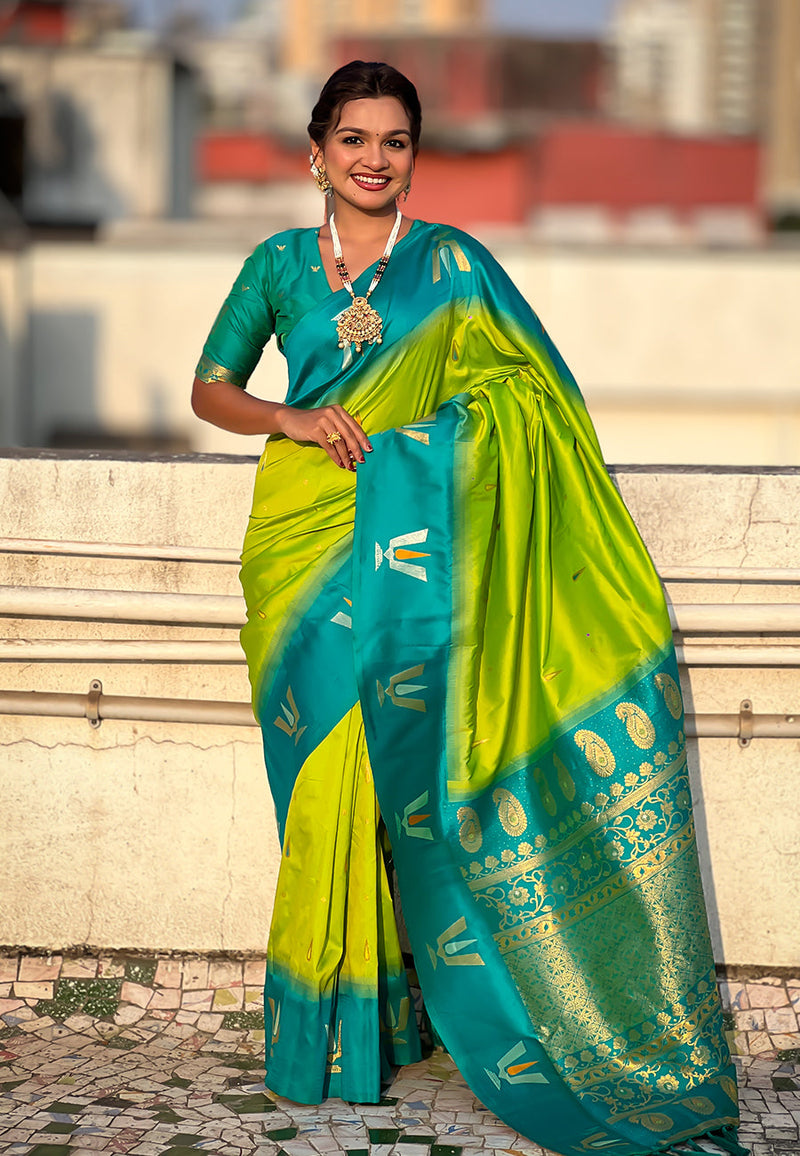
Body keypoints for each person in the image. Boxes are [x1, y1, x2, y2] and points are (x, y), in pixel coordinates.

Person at [191, 61, 746, 1156]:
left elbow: (532, 393)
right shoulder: (276, 265)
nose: (373, 158)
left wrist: (422, 446)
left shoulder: (454, 266)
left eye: (394, 141)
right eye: (353, 139)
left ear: (414, 156)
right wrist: (289, 420)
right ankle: (335, 1029)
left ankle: (377, 1030)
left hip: (407, 548)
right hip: (298, 545)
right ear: (316, 152)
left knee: (388, 775)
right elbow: (210, 389)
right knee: (322, 792)